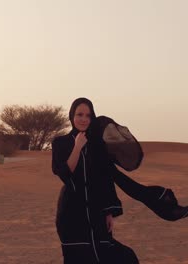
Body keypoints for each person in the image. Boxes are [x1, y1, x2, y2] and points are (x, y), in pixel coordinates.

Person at [52, 97, 139, 263]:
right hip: (71, 214)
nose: (84, 119)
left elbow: (105, 180)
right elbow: (63, 172)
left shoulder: (97, 145)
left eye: (88, 115)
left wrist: (109, 212)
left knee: (124, 257)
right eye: (80, 114)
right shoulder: (60, 143)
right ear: (72, 116)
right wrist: (77, 147)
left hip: (96, 212)